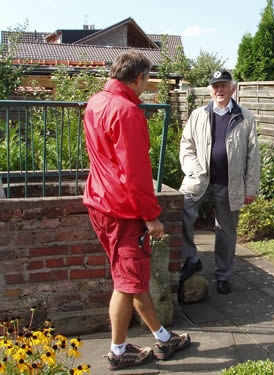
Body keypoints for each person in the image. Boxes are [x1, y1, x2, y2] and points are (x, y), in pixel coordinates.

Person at [83, 51, 191, 371]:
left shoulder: (95, 102)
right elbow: (136, 172)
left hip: (100, 204)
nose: (148, 85)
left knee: (130, 279)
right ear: (140, 77)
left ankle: (162, 336)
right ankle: (119, 351)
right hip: (123, 211)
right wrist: (150, 215)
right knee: (128, 283)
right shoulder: (127, 111)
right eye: (148, 78)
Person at [178, 69, 260, 295]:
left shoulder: (245, 117)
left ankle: (223, 276)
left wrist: (250, 188)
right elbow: (186, 147)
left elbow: (253, 156)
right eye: (215, 86)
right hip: (200, 179)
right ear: (210, 90)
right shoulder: (198, 115)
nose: (219, 90)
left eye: (224, 85)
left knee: (226, 231)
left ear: (233, 88)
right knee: (182, 209)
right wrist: (194, 170)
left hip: (230, 183)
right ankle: (191, 258)